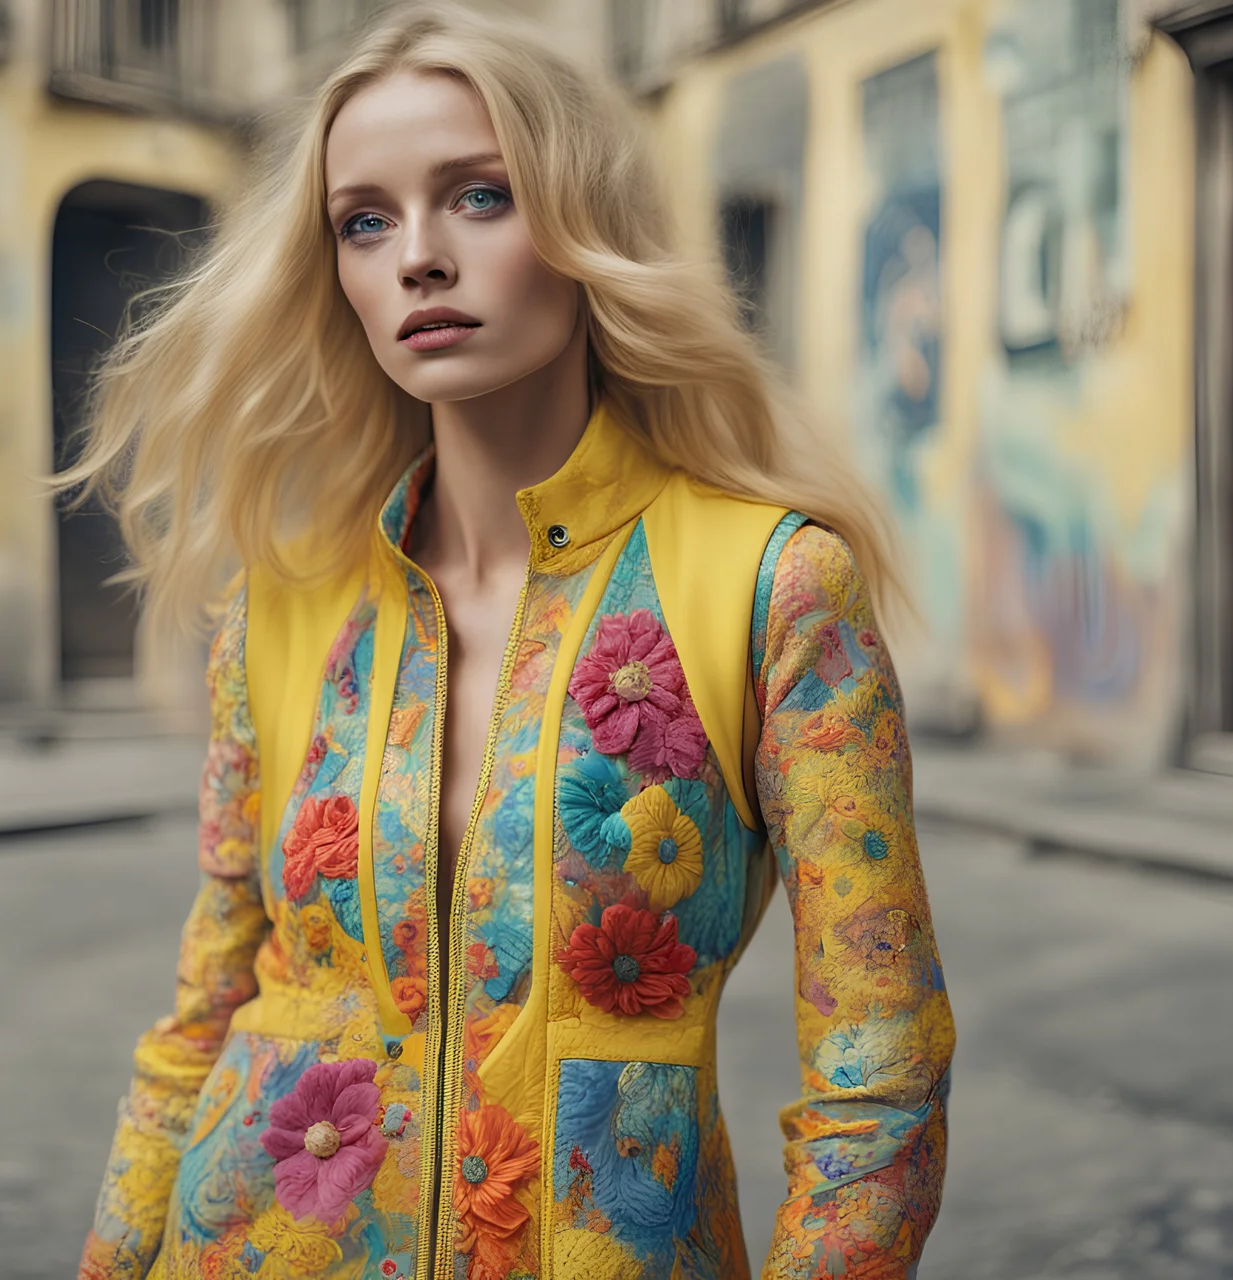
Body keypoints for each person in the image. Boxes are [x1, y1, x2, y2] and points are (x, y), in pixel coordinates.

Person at [66, 6, 953, 1278]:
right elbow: (207, 1006)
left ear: (583, 223)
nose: (418, 256)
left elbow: (885, 1068)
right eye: (364, 221)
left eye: (478, 196)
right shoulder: (276, 608)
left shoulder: (771, 587)